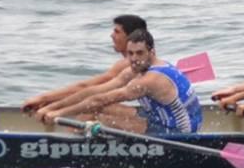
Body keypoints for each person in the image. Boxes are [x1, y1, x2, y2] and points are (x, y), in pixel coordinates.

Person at [53, 28, 203, 133]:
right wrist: (53, 107)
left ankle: (68, 147)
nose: (134, 59)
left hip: (177, 132)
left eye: (139, 53)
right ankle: (71, 139)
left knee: (99, 116)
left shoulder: (151, 79)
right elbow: (97, 91)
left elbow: (99, 99)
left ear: (152, 52)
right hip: (156, 117)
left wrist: (59, 114)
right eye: (130, 53)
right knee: (97, 108)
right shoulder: (138, 68)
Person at [24, 14, 147, 120]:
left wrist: (43, 99)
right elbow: (91, 91)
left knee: (92, 108)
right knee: (89, 105)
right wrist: (50, 102)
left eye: (117, 32)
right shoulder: (129, 64)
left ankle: (64, 139)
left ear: (130, 37)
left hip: (149, 119)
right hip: (145, 113)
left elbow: (87, 88)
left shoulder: (128, 64)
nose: (112, 35)